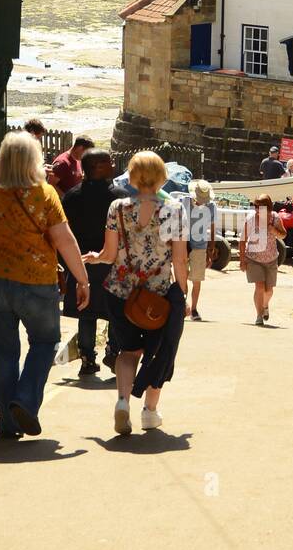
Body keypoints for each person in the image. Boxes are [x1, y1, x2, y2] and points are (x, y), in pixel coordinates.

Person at [0, 130, 89, 439]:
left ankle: (7, 422)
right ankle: (25, 400)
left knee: (3, 352)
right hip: (36, 282)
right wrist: (82, 279)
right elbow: (64, 240)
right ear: (34, 159)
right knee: (44, 341)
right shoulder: (44, 193)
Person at [83, 150, 188, 436]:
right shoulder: (173, 210)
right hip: (159, 296)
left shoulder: (117, 208)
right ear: (161, 176)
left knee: (128, 351)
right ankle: (149, 413)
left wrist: (95, 257)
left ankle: (122, 403)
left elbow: (109, 253)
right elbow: (179, 259)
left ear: (133, 175)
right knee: (159, 354)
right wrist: (184, 291)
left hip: (121, 292)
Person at [61, 148, 120, 376]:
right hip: (110, 262)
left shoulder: (72, 196)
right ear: (99, 167)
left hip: (80, 263)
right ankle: (113, 351)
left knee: (86, 313)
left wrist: (66, 267)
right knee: (114, 312)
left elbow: (64, 234)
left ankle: (87, 359)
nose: (113, 164)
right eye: (109, 161)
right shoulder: (119, 197)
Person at [240, 194, 285, 326]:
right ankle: (259, 315)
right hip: (253, 259)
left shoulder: (275, 218)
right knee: (259, 286)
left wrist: (274, 230)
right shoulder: (250, 219)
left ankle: (265, 305)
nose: (257, 210)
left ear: (268, 208)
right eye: (256, 206)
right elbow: (242, 241)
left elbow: (283, 234)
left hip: (271, 259)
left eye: (261, 207)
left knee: (269, 290)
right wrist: (242, 260)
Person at [181, 179, 218, 322]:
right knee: (182, 276)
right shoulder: (183, 202)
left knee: (197, 279)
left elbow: (212, 228)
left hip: (200, 245)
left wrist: (212, 247)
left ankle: (194, 308)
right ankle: (183, 305)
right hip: (183, 244)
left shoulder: (211, 206)